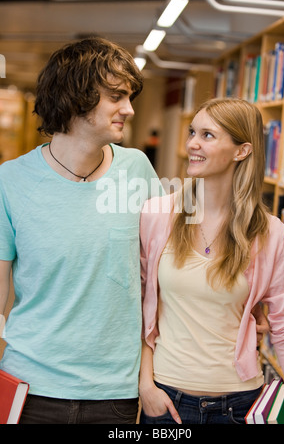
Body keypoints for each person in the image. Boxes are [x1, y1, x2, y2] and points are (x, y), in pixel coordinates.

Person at [0, 37, 163, 424]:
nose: (129, 109)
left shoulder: (137, 169)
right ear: (77, 97)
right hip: (29, 389)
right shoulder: (9, 181)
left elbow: (165, 271)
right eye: (117, 97)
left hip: (114, 394)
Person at [139, 97, 284, 425]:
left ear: (242, 150)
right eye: (192, 132)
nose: (192, 144)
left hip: (240, 404)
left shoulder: (268, 233)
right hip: (167, 401)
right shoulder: (157, 214)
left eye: (208, 135)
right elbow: (139, 307)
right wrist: (145, 386)